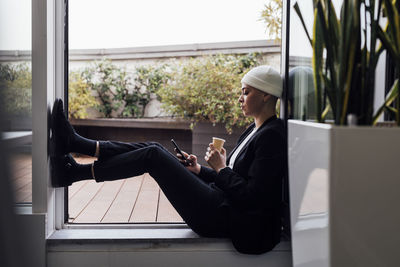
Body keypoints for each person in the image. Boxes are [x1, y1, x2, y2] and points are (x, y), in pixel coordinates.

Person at [50, 65, 286, 255]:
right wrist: (199, 171)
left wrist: (222, 168)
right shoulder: (255, 129)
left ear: (266, 94)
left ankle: (76, 158)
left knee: (153, 156)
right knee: (153, 148)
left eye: (246, 92)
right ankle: (75, 159)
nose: (240, 98)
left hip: (224, 218)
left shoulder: (272, 135)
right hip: (222, 202)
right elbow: (237, 179)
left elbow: (254, 197)